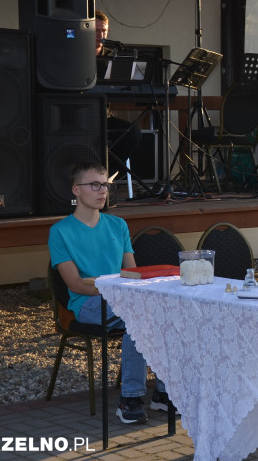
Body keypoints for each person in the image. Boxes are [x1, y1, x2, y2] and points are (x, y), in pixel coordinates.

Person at [48, 162, 173, 423]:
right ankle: (130, 399)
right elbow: (76, 284)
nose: (102, 190)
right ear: (76, 190)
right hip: (86, 303)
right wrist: (113, 287)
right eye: (95, 185)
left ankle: (163, 394)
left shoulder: (118, 225)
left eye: (105, 185)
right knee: (137, 319)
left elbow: (131, 273)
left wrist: (115, 286)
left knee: (165, 313)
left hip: (121, 298)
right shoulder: (60, 231)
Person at [95, 11, 141, 178]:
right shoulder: (78, 53)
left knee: (133, 133)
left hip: (104, 116)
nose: (100, 35)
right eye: (95, 31)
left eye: (104, 31)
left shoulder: (112, 55)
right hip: (80, 116)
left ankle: (107, 176)